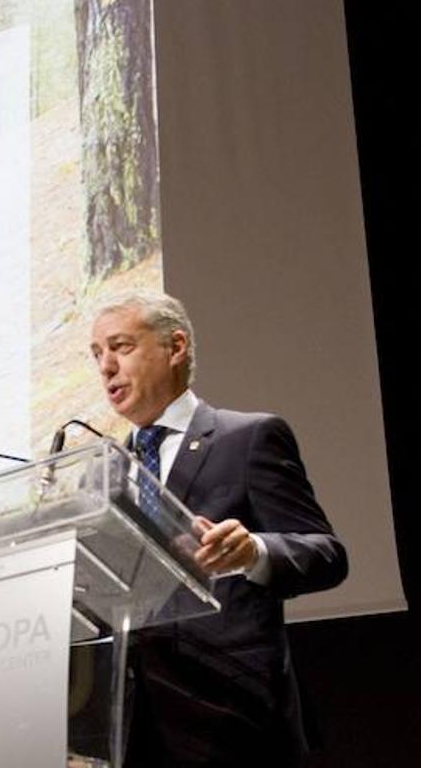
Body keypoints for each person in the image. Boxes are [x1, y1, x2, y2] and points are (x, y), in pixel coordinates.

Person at [88, 292, 348, 767]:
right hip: (127, 727)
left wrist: (254, 551)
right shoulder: (101, 474)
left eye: (121, 347)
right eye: (97, 353)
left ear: (176, 346)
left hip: (229, 714)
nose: (106, 366)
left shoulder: (245, 438)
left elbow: (327, 554)